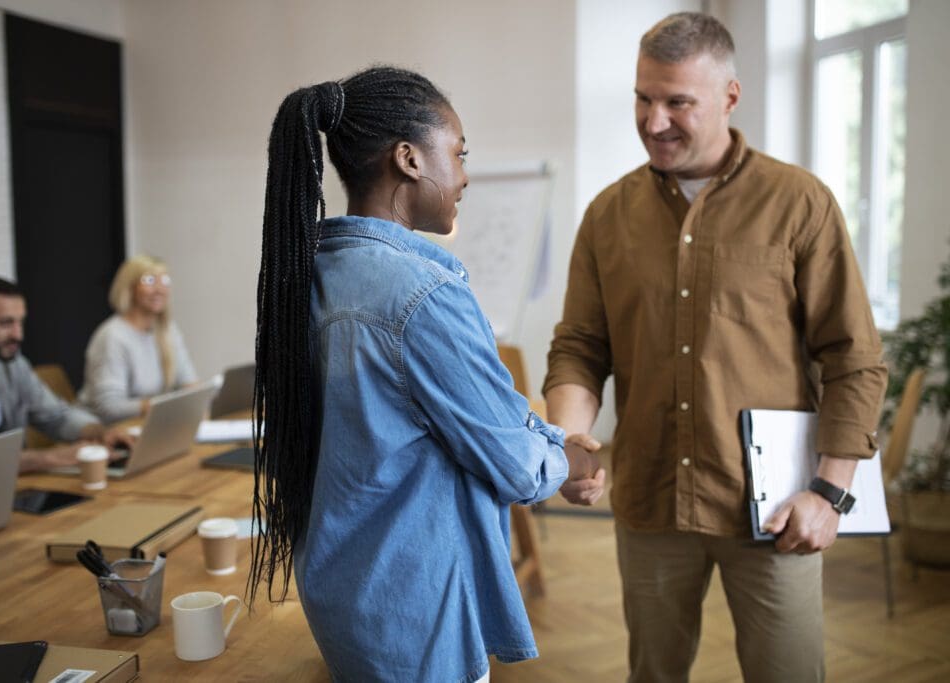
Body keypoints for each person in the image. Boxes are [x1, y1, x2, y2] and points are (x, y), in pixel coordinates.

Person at [543, 12, 887, 683]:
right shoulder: (607, 215)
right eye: (644, 98)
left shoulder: (800, 203)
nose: (654, 120)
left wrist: (830, 493)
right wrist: (572, 436)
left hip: (774, 506)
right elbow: (581, 345)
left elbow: (853, 354)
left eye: (678, 102)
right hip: (650, 497)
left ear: (729, 97)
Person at [249, 66, 599, 682]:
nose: (464, 176)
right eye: (458, 154)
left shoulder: (308, 274)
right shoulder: (422, 295)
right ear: (409, 159)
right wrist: (574, 461)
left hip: (344, 597)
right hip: (413, 609)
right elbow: (513, 461)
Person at [0, 277, 133, 472]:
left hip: (10, 492)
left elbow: (56, 416)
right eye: (6, 323)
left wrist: (100, 432)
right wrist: (49, 458)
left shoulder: (14, 365)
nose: (18, 334)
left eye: (20, 322)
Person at [77, 255, 197, 423]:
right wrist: (162, 405)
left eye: (164, 280)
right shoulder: (113, 336)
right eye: (149, 280)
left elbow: (188, 382)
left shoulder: (168, 330)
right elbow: (109, 406)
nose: (159, 289)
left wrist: (198, 401)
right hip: (105, 432)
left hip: (148, 423)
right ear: (129, 288)